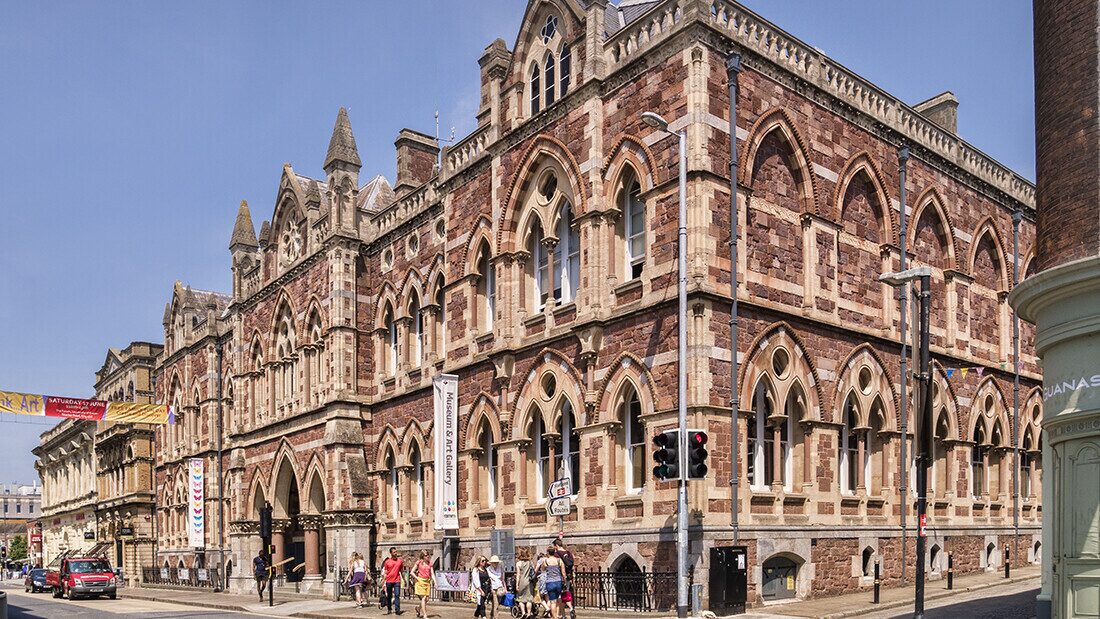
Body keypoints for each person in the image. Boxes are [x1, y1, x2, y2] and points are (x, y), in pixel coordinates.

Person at [536, 546, 565, 619]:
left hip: (550, 582)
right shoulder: (559, 560)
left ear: (548, 552)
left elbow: (543, 570)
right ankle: (558, 615)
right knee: (558, 600)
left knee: (552, 601)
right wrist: (564, 580)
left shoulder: (545, 561)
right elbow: (563, 573)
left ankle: (554, 617)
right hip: (558, 581)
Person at [552, 539, 576, 618]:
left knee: (560, 597)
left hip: (559, 577)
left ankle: (563, 615)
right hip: (568, 577)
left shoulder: (556, 554)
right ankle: (570, 609)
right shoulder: (568, 553)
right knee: (565, 593)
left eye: (554, 546)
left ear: (557, 545)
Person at [514, 549, 536, 619]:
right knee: (529, 599)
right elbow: (533, 571)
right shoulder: (530, 562)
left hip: (521, 582)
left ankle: (523, 613)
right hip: (529, 582)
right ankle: (529, 613)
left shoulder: (518, 563)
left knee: (521, 598)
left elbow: (518, 575)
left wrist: (517, 584)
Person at [412, 550, 435, 619]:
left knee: (426, 599)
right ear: (422, 556)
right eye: (426, 555)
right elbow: (412, 572)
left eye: (428, 554)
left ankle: (418, 608)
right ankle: (425, 615)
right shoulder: (419, 562)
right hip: (420, 581)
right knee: (424, 598)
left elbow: (432, 574)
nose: (427, 556)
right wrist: (417, 578)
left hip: (427, 581)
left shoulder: (429, 563)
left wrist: (435, 582)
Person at [382, 547, 405, 615]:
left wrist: (404, 579)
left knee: (397, 595)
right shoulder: (387, 562)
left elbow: (401, 571)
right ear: (391, 553)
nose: (396, 553)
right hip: (389, 580)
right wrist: (383, 580)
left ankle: (397, 610)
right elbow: (385, 572)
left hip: (397, 580)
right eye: (394, 552)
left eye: (396, 552)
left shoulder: (400, 561)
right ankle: (389, 608)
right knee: (389, 596)